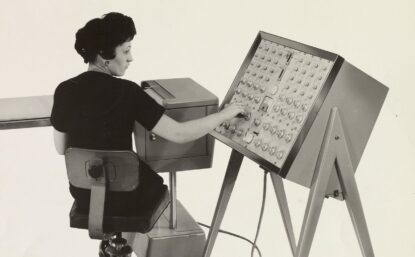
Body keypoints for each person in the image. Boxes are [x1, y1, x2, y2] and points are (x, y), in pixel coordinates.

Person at [51, 13, 246, 216]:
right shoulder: (128, 91)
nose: (130, 58)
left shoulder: (64, 90)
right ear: (104, 55)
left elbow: (61, 148)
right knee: (158, 187)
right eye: (125, 51)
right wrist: (224, 114)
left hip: (83, 193)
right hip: (126, 195)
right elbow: (179, 134)